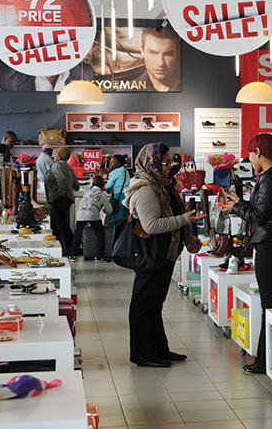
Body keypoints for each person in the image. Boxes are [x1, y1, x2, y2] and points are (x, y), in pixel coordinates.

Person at [123, 143, 204, 368]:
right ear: (152, 163)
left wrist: (187, 237)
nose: (169, 166)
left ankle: (159, 349)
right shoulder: (147, 189)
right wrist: (184, 220)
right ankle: (144, 354)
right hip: (152, 255)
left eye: (170, 162)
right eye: (165, 162)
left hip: (163, 253)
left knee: (154, 304)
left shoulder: (161, 185)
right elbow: (151, 225)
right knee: (143, 306)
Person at [221, 134, 272, 375]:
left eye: (250, 155)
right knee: (269, 302)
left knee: (269, 303)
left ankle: (265, 361)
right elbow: (262, 209)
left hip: (270, 242)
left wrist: (235, 208)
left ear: (258, 152)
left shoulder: (270, 178)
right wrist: (240, 201)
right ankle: (268, 358)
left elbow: (259, 216)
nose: (250, 160)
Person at [44, 147, 80, 255]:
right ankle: (58, 250)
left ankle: (72, 250)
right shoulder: (68, 167)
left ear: (60, 156)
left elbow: (60, 180)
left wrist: (60, 196)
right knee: (56, 225)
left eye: (56, 154)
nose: (54, 156)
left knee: (62, 225)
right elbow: (76, 186)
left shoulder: (56, 165)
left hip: (58, 199)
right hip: (67, 198)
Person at [69, 176, 112, 262]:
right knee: (100, 234)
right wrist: (105, 210)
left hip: (81, 214)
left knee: (78, 234)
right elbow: (109, 210)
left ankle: (72, 255)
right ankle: (99, 256)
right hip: (92, 214)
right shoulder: (101, 194)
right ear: (102, 185)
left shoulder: (87, 192)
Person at [133, 27, 181, 92]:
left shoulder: (190, 87)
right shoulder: (126, 91)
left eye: (168, 54)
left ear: (177, 53)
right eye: (153, 53)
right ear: (142, 51)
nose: (161, 63)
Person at [104, 154, 130, 224]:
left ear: (118, 164)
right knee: (124, 218)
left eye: (112, 162)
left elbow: (108, 186)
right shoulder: (126, 172)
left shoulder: (114, 172)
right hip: (127, 196)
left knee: (115, 219)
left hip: (118, 197)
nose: (110, 164)